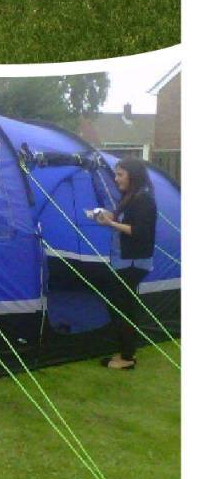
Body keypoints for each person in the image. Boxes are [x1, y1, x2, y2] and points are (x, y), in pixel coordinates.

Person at [93, 157, 157, 370]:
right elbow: (126, 221)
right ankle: (126, 351)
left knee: (123, 308)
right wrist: (106, 216)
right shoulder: (131, 197)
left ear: (133, 175)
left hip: (133, 262)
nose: (116, 178)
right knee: (122, 305)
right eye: (116, 174)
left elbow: (140, 231)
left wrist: (111, 222)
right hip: (124, 261)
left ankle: (127, 357)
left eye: (120, 174)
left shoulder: (143, 199)